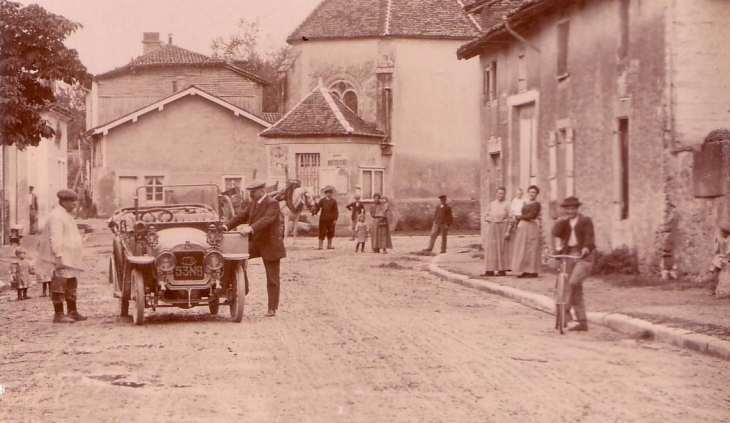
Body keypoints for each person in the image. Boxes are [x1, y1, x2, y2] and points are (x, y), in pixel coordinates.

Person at [223, 180, 287, 317]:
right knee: (234, 258)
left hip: (271, 245)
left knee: (272, 278)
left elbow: (267, 219)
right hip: (256, 243)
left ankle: (272, 308)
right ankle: (240, 287)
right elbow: (241, 216)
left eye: (253, 192)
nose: (251, 194)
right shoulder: (253, 203)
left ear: (262, 191)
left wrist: (250, 228)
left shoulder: (272, 203)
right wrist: (226, 226)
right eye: (250, 192)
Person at [37, 189, 87, 323]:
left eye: (75, 201)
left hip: (70, 258)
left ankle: (72, 311)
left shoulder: (66, 215)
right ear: (63, 201)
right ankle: (58, 314)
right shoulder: (56, 216)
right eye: (72, 201)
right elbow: (55, 237)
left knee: (71, 282)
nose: (74, 204)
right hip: (60, 257)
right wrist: (58, 255)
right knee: (59, 284)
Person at [551, 196, 596, 332]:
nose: (570, 211)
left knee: (572, 283)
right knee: (574, 289)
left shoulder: (585, 221)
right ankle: (582, 322)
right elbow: (555, 233)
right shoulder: (564, 222)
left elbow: (589, 238)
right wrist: (561, 220)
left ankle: (565, 313)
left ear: (577, 208)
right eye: (568, 209)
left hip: (584, 256)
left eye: (573, 209)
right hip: (569, 254)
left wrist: (585, 249)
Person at [510, 185, 542, 278]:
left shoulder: (536, 204)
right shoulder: (526, 203)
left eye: (534, 192)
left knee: (531, 248)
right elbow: (523, 214)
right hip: (523, 226)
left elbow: (532, 216)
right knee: (523, 248)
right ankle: (525, 270)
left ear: (537, 194)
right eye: (530, 192)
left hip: (531, 226)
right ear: (528, 193)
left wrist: (519, 217)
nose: (532, 194)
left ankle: (532, 271)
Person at [483, 187, 511, 276]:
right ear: (496, 194)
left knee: (501, 249)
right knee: (491, 249)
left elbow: (511, 218)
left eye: (502, 193)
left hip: (502, 227)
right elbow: (486, 216)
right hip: (493, 228)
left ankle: (501, 270)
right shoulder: (492, 204)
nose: (500, 195)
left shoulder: (507, 204)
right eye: (499, 193)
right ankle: (489, 270)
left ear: (505, 194)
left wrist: (508, 231)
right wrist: (490, 219)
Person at [313, 185, 339, 250]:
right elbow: (318, 208)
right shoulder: (322, 201)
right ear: (325, 193)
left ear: (331, 194)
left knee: (331, 232)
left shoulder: (334, 201)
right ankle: (320, 246)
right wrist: (314, 212)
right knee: (322, 231)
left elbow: (336, 211)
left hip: (331, 220)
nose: (329, 194)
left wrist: (335, 219)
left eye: (330, 193)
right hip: (323, 219)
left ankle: (329, 245)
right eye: (327, 193)